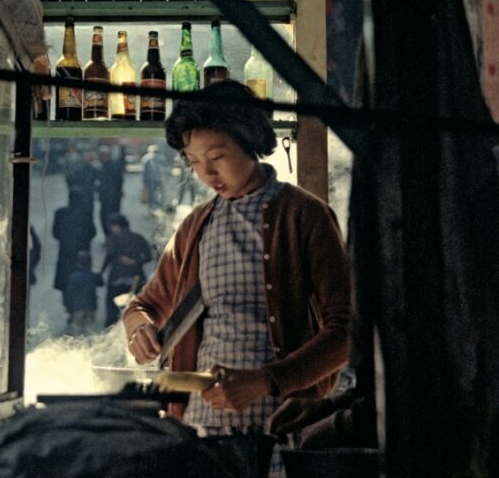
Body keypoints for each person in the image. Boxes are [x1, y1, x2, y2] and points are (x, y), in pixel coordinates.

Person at [122, 81, 352, 439]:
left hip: (285, 427)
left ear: (250, 140)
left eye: (217, 157)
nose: (207, 174)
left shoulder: (305, 215)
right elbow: (144, 306)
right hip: (201, 426)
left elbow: (345, 331)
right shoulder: (195, 227)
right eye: (195, 162)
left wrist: (266, 380)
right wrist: (139, 329)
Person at [100, 213, 151, 329]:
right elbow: (148, 257)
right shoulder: (138, 238)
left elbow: (110, 256)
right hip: (136, 279)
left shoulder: (112, 238)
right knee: (137, 308)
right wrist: (135, 262)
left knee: (112, 310)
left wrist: (102, 272)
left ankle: (110, 331)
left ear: (117, 226)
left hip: (116, 279)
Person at [63, 251, 102, 336]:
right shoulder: (93, 276)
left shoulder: (73, 277)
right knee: (90, 331)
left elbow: (69, 294)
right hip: (91, 307)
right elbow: (101, 282)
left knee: (77, 331)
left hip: (77, 308)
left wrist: (69, 307)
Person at [95, 143, 125, 235]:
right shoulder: (101, 167)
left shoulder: (114, 166)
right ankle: (108, 237)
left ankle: (113, 236)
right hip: (105, 199)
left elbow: (119, 181)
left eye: (105, 155)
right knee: (105, 218)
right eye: (102, 155)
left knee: (112, 218)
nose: (103, 157)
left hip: (113, 198)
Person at [140, 144, 165, 209]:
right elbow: (163, 170)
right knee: (158, 193)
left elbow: (144, 171)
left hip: (149, 180)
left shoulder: (145, 158)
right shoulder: (160, 158)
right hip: (158, 179)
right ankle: (157, 206)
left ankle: (152, 207)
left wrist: (144, 181)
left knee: (151, 194)